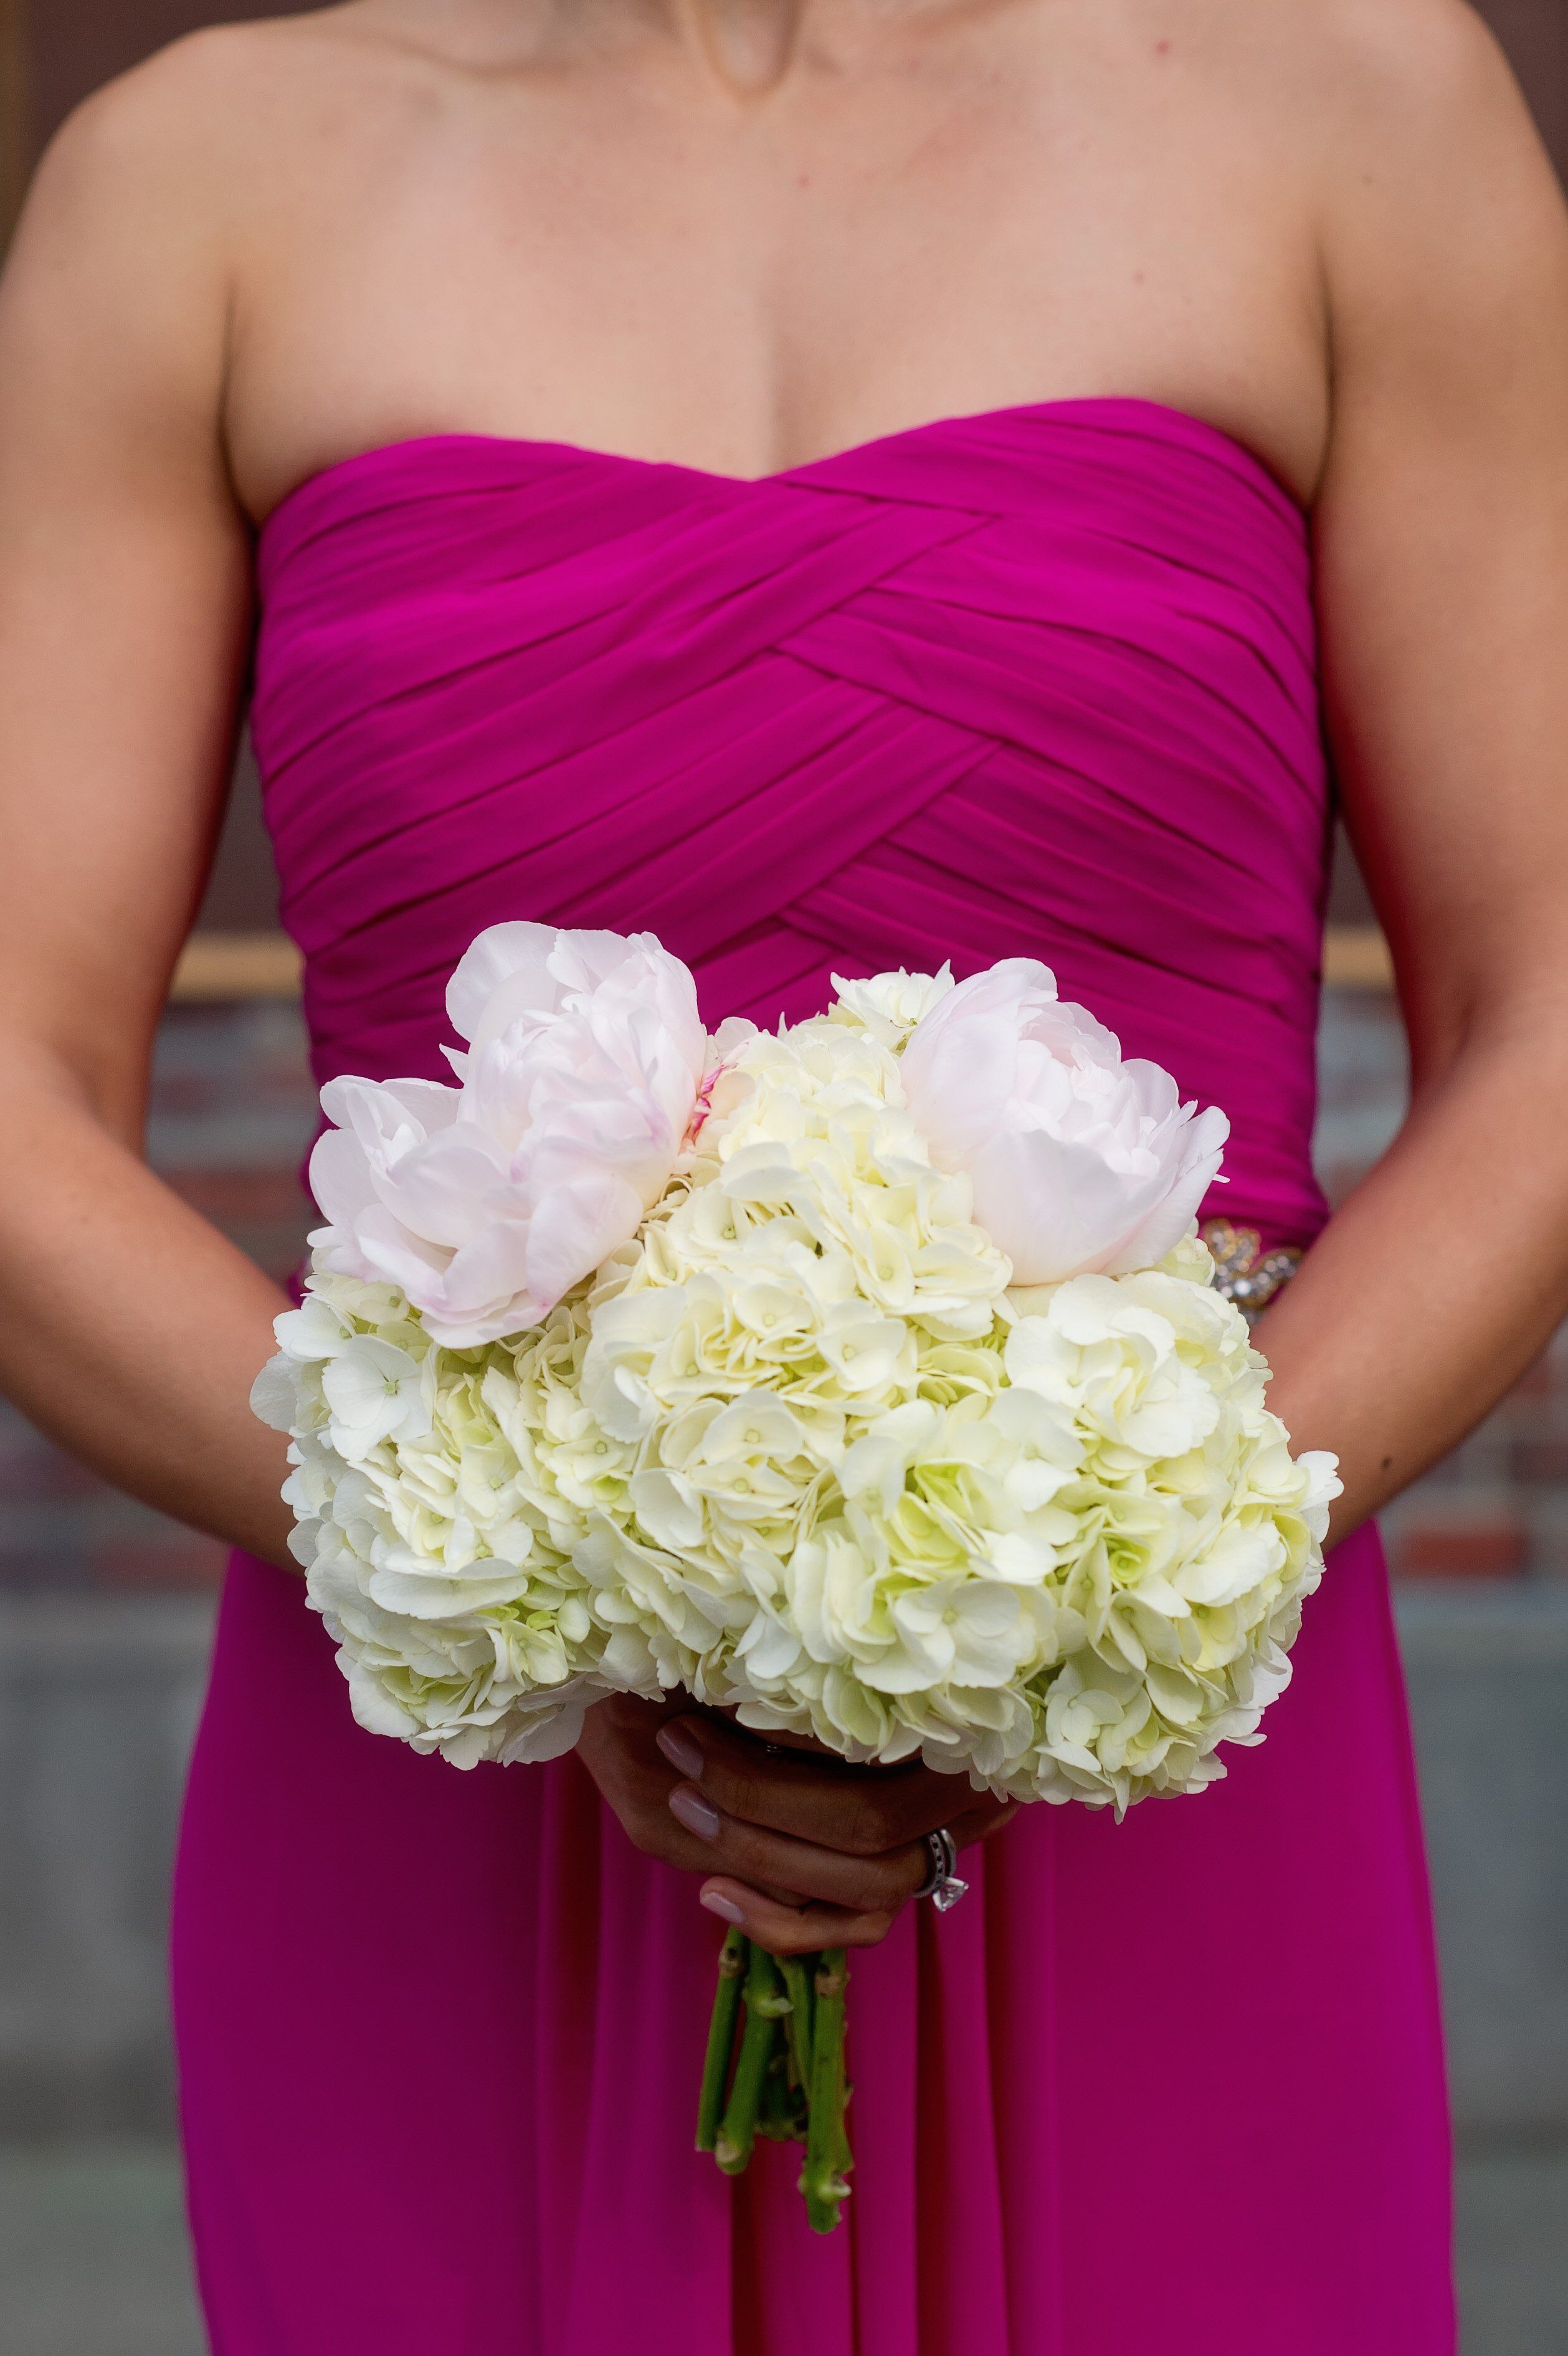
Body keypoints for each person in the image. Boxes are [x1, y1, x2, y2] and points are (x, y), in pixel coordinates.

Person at [1, 0, 1566, 2346]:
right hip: (443, 1785)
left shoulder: (1353, 104)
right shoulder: (199, 181)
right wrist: (529, 1575)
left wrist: (1102, 1569)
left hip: (1157, 1749)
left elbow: (1547, 1023)